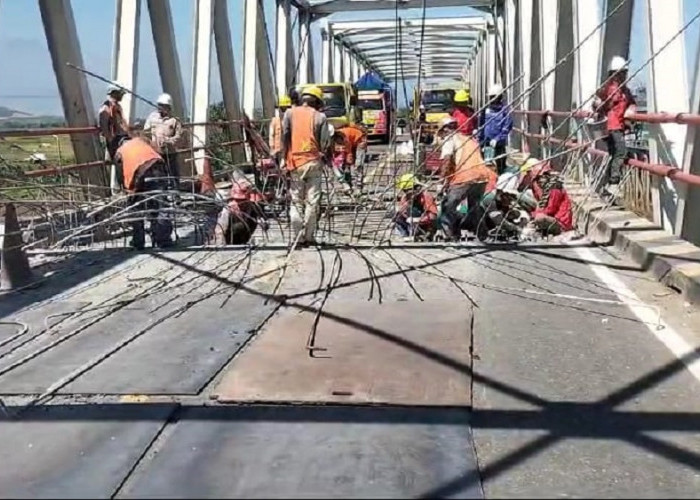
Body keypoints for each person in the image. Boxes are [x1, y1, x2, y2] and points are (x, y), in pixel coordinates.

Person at [281, 85, 331, 246]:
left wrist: (284, 158)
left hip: (295, 163)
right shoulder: (320, 117)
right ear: (317, 101)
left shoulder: (289, 113)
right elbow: (324, 143)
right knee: (312, 201)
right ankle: (309, 236)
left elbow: (285, 137)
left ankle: (298, 236)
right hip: (313, 163)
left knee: (296, 199)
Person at [438, 117, 494, 241]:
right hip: (481, 176)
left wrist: (442, 181)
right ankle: (482, 234)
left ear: (445, 130)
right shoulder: (470, 139)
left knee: (448, 206)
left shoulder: (449, 139)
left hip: (464, 176)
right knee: (474, 206)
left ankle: (450, 236)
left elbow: (447, 161)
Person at [113, 135, 174, 250]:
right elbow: (158, 152)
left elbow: (121, 176)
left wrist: (128, 191)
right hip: (158, 168)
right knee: (160, 206)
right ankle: (163, 240)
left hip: (140, 174)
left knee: (136, 209)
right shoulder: (141, 141)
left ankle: (138, 241)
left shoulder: (120, 152)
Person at [593, 56, 637, 196]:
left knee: (614, 154)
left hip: (616, 126)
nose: (623, 75)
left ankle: (607, 185)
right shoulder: (610, 88)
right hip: (611, 126)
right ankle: (613, 182)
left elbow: (632, 102)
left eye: (623, 73)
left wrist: (631, 110)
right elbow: (600, 102)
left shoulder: (624, 90)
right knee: (620, 152)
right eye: (620, 73)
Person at [143, 93, 183, 187]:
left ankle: (176, 196)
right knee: (159, 176)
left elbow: (179, 137)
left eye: (163, 106)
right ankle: (162, 196)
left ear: (168, 107)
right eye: (159, 105)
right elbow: (145, 132)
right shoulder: (152, 118)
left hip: (170, 153)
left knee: (173, 174)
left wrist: (168, 141)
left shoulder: (174, 121)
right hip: (156, 153)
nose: (160, 108)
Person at [215, 175, 268, 244]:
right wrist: (222, 247)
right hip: (230, 238)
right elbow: (220, 231)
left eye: (243, 200)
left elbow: (260, 219)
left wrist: (263, 223)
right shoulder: (229, 210)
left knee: (251, 220)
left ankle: (244, 241)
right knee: (239, 226)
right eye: (238, 200)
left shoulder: (251, 207)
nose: (241, 203)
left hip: (245, 235)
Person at [527, 162, 573, 236]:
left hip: (561, 222)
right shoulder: (546, 188)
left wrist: (534, 215)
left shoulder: (554, 188)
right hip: (554, 218)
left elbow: (550, 209)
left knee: (539, 218)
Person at [479, 83, 513, 175]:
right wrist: (480, 141)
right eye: (491, 97)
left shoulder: (505, 111)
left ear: (500, 97)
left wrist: (498, 139)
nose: (492, 100)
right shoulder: (485, 110)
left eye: (494, 97)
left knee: (500, 166)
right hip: (486, 143)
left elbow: (507, 127)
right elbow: (481, 126)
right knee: (486, 166)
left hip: (498, 145)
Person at [393, 173, 438, 241]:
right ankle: (405, 236)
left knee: (414, 212)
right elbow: (402, 212)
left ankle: (423, 236)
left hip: (425, 226)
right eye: (405, 191)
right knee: (397, 216)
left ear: (417, 188)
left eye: (409, 191)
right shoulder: (405, 198)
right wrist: (402, 213)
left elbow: (433, 216)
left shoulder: (425, 196)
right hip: (411, 226)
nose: (407, 193)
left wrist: (418, 220)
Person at [331, 123, 368, 191]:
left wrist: (349, 158)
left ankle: (358, 186)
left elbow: (348, 150)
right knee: (345, 165)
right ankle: (348, 185)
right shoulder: (335, 137)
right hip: (351, 142)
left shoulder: (342, 135)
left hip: (360, 140)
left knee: (358, 164)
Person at [98, 85, 130, 160]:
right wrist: (111, 141)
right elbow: (104, 127)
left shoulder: (117, 106)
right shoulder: (105, 109)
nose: (122, 95)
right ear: (114, 93)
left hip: (121, 139)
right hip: (115, 142)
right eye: (120, 93)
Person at [269, 95, 292, 165]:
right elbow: (271, 135)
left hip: (290, 150)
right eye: (283, 109)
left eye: (287, 108)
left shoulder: (292, 121)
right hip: (278, 150)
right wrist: (272, 148)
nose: (285, 111)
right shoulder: (275, 121)